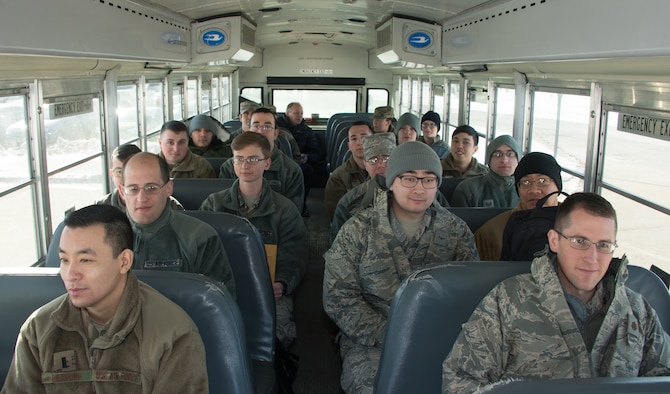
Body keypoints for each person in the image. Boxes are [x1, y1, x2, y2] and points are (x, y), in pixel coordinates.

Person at [443, 193, 670, 393]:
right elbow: (460, 381)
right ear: (554, 241)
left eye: (603, 245)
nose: (592, 258)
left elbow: (663, 380)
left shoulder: (637, 311)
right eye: (579, 241)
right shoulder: (508, 300)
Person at [324, 141, 479, 394]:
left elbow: (470, 296)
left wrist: (435, 335)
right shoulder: (359, 229)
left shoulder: (456, 231)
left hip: (441, 337)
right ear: (392, 182)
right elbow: (338, 297)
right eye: (409, 179)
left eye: (429, 180)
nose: (419, 188)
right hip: (373, 339)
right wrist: (392, 334)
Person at [1, 205, 208, 393]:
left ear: (124, 261)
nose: (70, 274)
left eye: (85, 260)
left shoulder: (172, 333)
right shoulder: (39, 329)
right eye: (64, 260)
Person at [200, 132, 307, 349]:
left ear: (267, 163)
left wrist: (283, 282)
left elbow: (294, 253)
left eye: (253, 159)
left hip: (268, 288)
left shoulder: (285, 209)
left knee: (277, 332)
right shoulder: (213, 205)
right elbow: (201, 249)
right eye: (239, 158)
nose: (245, 165)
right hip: (220, 287)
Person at [121, 152, 236, 297]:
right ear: (122, 192)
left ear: (168, 188)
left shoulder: (200, 237)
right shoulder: (105, 239)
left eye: (151, 188)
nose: (141, 198)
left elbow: (220, 305)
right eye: (133, 189)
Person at [330, 133, 451, 242]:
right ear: (365, 164)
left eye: (387, 158)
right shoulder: (351, 202)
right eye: (373, 160)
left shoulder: (428, 193)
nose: (381, 165)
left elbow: (448, 224)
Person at [475, 152, 562, 260]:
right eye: (525, 182)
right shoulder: (491, 232)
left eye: (542, 181)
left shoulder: (579, 224)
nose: (534, 190)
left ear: (558, 187)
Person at [219, 107, 305, 212]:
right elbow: (223, 203)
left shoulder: (291, 170)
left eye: (267, 127)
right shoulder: (229, 167)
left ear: (275, 133)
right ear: (249, 130)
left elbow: (292, 211)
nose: (260, 131)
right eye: (256, 126)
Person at [95, 143, 184, 212]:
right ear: (111, 174)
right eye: (119, 172)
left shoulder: (170, 205)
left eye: (131, 172)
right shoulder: (100, 207)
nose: (125, 179)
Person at [276, 102, 322, 217]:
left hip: (298, 163)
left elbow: (316, 152)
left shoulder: (306, 131)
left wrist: (307, 157)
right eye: (296, 113)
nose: (299, 116)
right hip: (277, 161)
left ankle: (301, 204)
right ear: (287, 113)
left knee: (308, 170)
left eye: (301, 113)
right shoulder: (276, 127)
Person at [451, 135, 521, 208]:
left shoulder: (528, 191)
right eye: (497, 154)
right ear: (489, 159)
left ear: (518, 158)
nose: (504, 160)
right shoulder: (468, 189)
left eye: (510, 154)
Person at [324, 121, 373, 221]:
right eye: (354, 139)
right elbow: (336, 215)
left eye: (364, 137)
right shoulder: (338, 177)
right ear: (349, 146)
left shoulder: (385, 172)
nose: (359, 142)